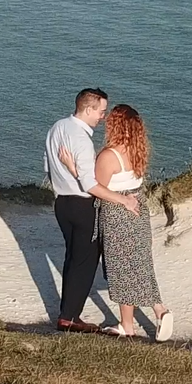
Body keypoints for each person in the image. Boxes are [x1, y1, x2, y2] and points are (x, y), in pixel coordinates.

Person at [91, 103, 174, 342]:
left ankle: (135, 322)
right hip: (139, 212)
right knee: (139, 265)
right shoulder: (138, 151)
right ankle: (151, 313)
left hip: (117, 215)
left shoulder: (109, 155)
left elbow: (96, 187)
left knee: (122, 270)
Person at [45, 88, 110, 332]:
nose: (102, 117)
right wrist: (122, 200)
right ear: (88, 109)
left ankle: (68, 313)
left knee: (73, 257)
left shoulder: (56, 128)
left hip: (61, 203)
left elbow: (47, 167)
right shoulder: (82, 139)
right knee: (85, 260)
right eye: (101, 111)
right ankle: (70, 317)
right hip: (83, 205)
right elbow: (90, 183)